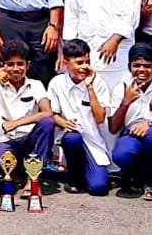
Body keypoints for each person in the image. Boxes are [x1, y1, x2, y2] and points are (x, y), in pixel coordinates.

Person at [0, 40, 55, 191]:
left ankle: (34, 177)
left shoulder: (36, 85)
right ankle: (19, 171)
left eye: (20, 64)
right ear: (3, 66)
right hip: (5, 140)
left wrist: (17, 123)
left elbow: (47, 112)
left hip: (28, 138)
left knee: (48, 123)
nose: (16, 68)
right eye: (10, 64)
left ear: (28, 65)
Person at [109, 44, 152, 200]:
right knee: (122, 154)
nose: (141, 70)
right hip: (132, 136)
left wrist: (151, 125)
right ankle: (136, 176)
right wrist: (126, 103)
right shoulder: (122, 88)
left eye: (147, 66)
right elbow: (113, 128)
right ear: (129, 67)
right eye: (136, 65)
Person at [48, 38, 113, 196]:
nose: (84, 67)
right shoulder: (57, 83)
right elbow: (52, 114)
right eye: (79, 62)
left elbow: (100, 118)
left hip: (92, 140)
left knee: (99, 188)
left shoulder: (98, 83)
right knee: (72, 139)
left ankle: (87, 173)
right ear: (66, 63)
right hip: (69, 138)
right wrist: (64, 122)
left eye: (87, 61)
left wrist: (90, 87)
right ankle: (73, 178)